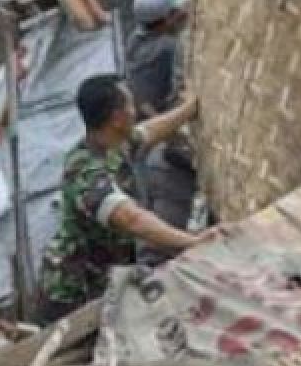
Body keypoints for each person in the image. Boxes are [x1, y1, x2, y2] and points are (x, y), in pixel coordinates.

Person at [36, 76, 220, 323]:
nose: (136, 111)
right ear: (116, 118)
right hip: (71, 293)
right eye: (131, 105)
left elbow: (149, 132)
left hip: (103, 278)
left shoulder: (112, 143)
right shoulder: (85, 173)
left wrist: (187, 110)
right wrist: (192, 242)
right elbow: (132, 219)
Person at [126, 0, 200, 262]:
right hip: (158, 145)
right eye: (175, 12)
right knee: (164, 223)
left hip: (143, 141)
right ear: (164, 20)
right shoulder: (168, 48)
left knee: (146, 212)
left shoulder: (135, 42)